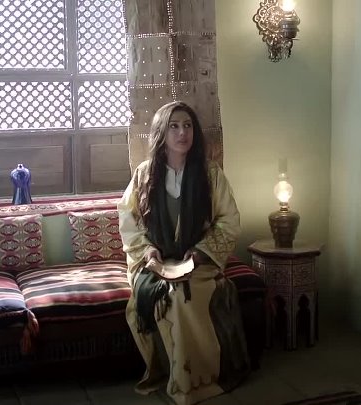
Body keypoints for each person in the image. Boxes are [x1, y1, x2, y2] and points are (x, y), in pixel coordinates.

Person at [117, 101, 250, 405]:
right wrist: (149, 252)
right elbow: (129, 220)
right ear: (161, 133)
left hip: (198, 261)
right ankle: (177, 377)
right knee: (167, 294)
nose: (182, 133)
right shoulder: (144, 174)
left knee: (182, 294)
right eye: (174, 126)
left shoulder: (210, 174)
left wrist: (200, 253)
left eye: (187, 125)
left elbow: (228, 221)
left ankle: (201, 379)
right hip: (154, 261)